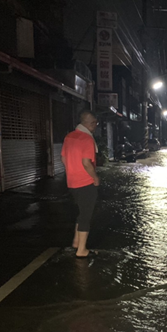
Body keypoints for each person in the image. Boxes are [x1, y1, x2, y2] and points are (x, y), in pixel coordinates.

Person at [61, 110, 100, 258]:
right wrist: (95, 177)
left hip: (72, 182)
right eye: (95, 123)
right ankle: (82, 250)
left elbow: (64, 159)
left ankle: (76, 241)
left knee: (81, 212)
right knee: (86, 216)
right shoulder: (87, 139)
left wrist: (72, 171)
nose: (96, 126)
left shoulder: (69, 136)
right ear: (90, 123)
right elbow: (86, 163)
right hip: (85, 182)